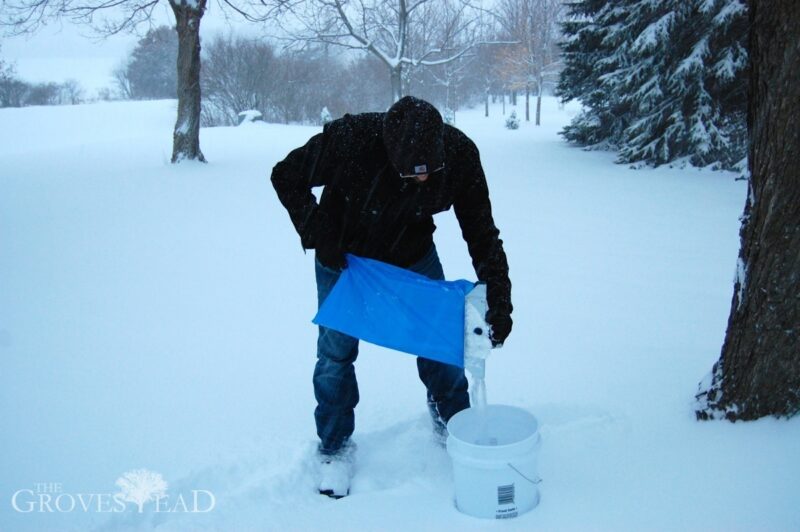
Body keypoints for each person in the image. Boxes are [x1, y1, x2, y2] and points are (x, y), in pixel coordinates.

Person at [270, 96, 512, 498]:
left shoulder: (459, 155)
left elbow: (482, 233)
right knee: (335, 352)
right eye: (410, 174)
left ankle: (452, 422)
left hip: (412, 254)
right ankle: (334, 448)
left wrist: (499, 298)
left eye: (428, 173)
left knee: (440, 338)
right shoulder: (349, 140)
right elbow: (285, 175)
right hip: (345, 258)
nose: (421, 181)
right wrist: (317, 231)